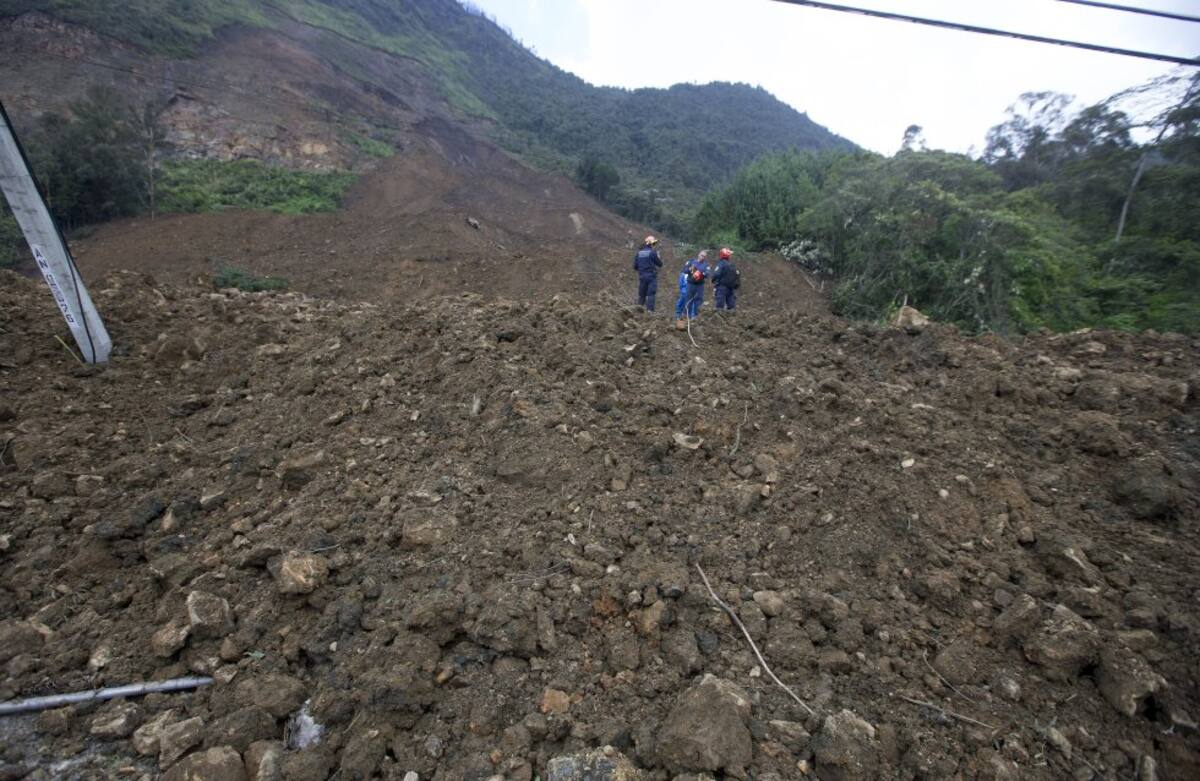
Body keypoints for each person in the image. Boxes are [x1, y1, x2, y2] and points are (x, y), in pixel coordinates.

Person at [676, 251, 710, 328]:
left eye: (704, 256)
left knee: (698, 301)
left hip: (699, 285)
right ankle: (685, 318)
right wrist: (690, 269)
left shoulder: (706, 265)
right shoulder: (691, 261)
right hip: (690, 284)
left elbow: (708, 274)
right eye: (702, 255)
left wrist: (701, 273)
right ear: (698, 255)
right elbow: (684, 270)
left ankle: (697, 318)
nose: (703, 257)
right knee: (688, 301)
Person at [633, 236, 663, 311]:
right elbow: (660, 264)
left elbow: (635, 266)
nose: (654, 245)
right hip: (651, 277)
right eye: (654, 244)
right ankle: (649, 312)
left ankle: (638, 312)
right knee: (651, 295)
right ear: (651, 244)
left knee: (642, 295)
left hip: (642, 276)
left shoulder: (639, 253)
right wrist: (658, 257)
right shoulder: (652, 252)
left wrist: (642, 269)